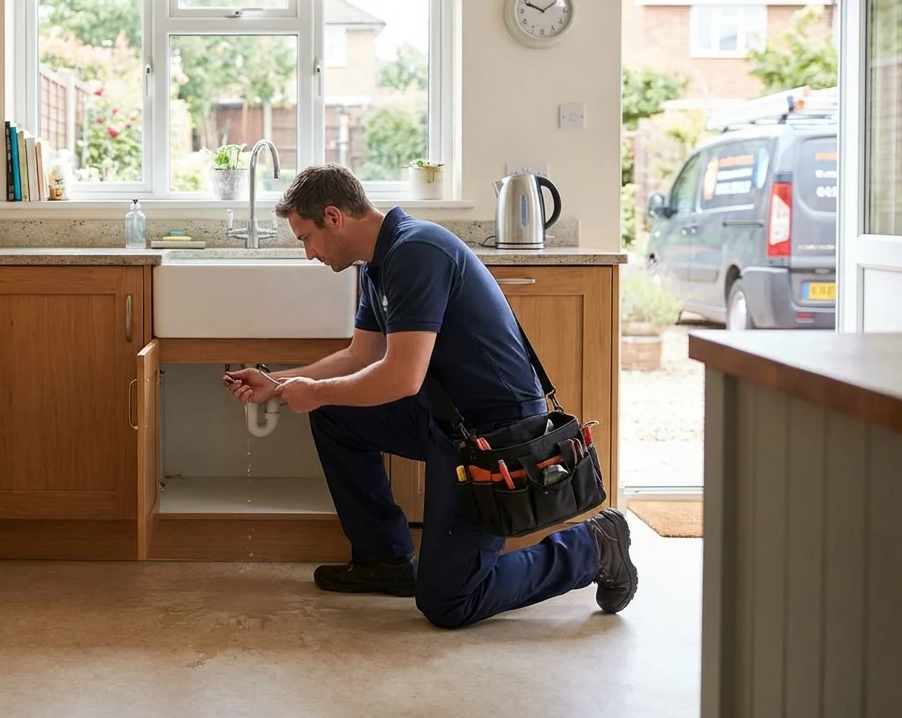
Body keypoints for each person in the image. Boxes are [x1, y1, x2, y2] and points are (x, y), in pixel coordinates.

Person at [223, 164, 637, 629]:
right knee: (333, 413)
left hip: (494, 435)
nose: (308, 253)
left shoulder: (415, 252)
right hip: (446, 418)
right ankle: (386, 560)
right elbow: (363, 354)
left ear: (334, 217)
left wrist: (314, 392)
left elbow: (400, 378)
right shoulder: (379, 265)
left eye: (305, 238)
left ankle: (594, 546)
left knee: (449, 602)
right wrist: (279, 384)